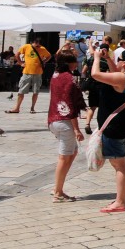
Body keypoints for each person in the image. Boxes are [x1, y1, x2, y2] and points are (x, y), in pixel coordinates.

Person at [91, 45, 125, 213]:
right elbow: (114, 72)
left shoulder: (122, 79)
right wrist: (107, 59)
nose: (116, 62)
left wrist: (97, 58)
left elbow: (95, 75)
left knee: (119, 165)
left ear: (124, 64)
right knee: (122, 163)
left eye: (119, 60)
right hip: (124, 126)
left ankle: (120, 202)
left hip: (114, 128)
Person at [48, 51, 86, 202]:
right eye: (74, 61)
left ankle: (58, 185)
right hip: (64, 121)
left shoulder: (55, 75)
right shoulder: (70, 79)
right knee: (64, 157)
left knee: (73, 152)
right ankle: (57, 192)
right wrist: (77, 129)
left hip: (53, 120)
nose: (76, 63)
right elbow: (70, 106)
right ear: (68, 63)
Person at [6, 39, 51, 114]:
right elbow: (17, 54)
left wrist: (44, 61)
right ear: (32, 43)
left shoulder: (42, 49)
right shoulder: (26, 47)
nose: (37, 45)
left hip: (38, 73)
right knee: (21, 91)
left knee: (35, 91)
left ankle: (32, 108)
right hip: (27, 72)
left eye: (39, 44)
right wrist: (21, 63)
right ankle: (17, 108)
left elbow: (49, 56)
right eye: (36, 43)